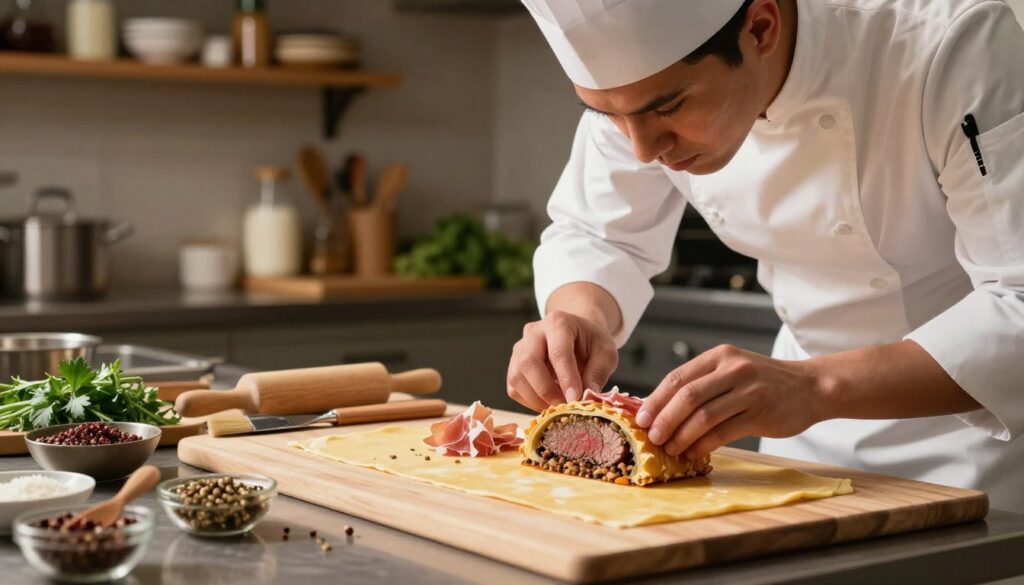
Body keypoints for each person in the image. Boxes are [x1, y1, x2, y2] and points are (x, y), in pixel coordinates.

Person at [507, 0, 1024, 512]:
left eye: (668, 108)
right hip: (801, 451)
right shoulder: (634, 97)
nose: (643, 150)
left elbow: (1018, 300)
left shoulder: (953, 45)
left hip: (977, 446)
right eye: (607, 115)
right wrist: (578, 316)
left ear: (760, 27)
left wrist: (816, 386)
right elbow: (599, 233)